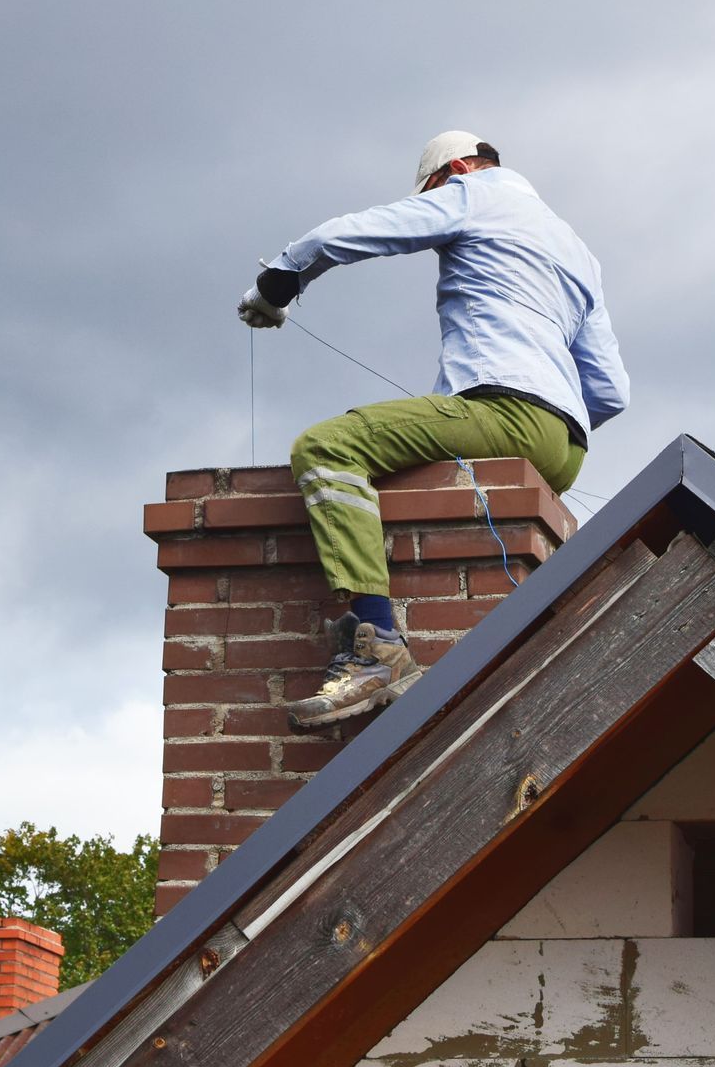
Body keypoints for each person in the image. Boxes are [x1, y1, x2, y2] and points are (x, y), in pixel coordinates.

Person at [237, 131, 629, 729]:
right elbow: (610, 391)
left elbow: (344, 235)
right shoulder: (577, 249)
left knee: (328, 447)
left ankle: (379, 649)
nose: (438, 198)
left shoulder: (475, 193)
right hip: (565, 442)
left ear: (461, 167)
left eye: (436, 188)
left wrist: (278, 283)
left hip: (505, 410)